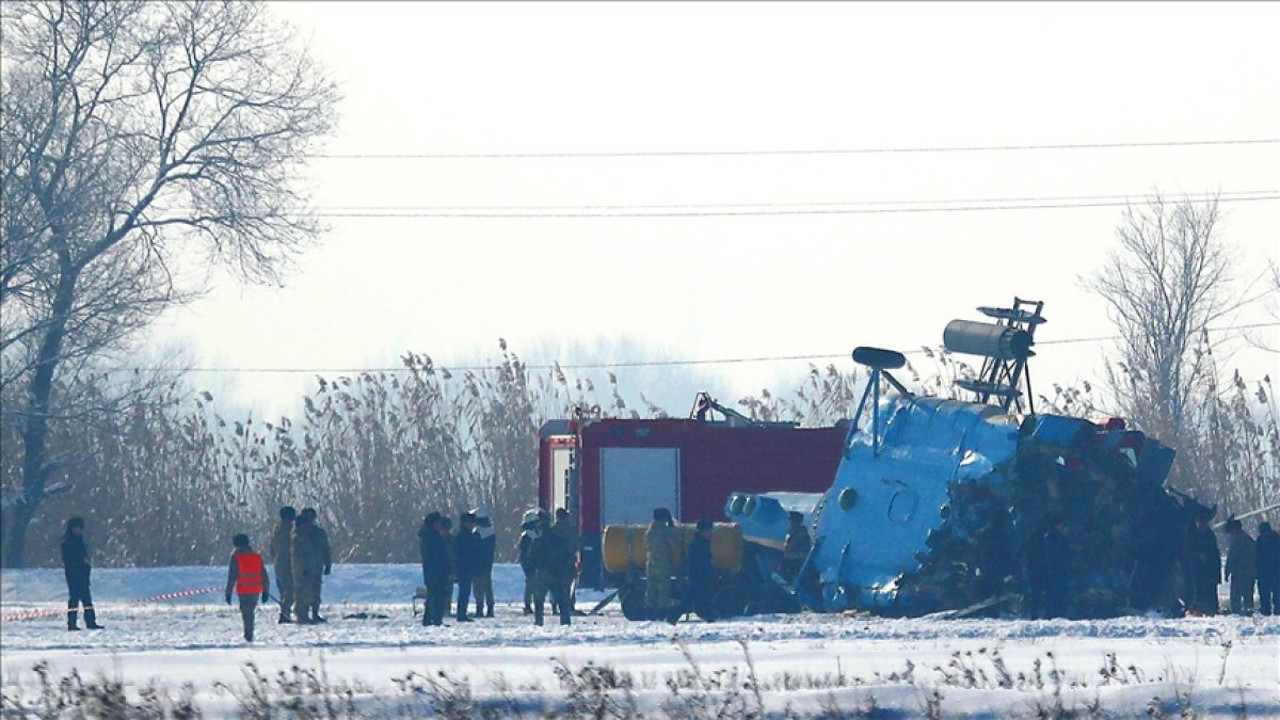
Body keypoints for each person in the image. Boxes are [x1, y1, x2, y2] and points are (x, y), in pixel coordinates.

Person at [528, 511, 572, 626]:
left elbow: (531, 558)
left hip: (542, 572)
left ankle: (539, 620)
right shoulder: (559, 540)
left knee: (539, 599)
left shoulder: (537, 541)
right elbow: (567, 555)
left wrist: (534, 570)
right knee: (561, 598)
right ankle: (565, 620)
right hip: (557, 572)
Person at [224, 533, 270, 642]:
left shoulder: (235, 557)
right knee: (250, 611)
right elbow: (264, 574)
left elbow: (232, 576)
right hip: (255, 590)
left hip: (243, 590)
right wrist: (265, 591)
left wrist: (228, 592)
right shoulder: (256, 556)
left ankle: (248, 635)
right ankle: (249, 633)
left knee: (246, 613)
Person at [61, 517, 103, 631]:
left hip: (83, 574)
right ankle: (72, 623)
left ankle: (90, 621)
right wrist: (81, 560)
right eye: (79, 527)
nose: (81, 530)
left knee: (86, 599)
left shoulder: (79, 540)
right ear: (73, 528)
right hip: (73, 574)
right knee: (74, 599)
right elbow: (68, 559)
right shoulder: (68, 541)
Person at [292, 507, 332, 624]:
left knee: (316, 591)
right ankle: (302, 615)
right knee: (302, 592)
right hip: (303, 570)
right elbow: (297, 556)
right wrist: (301, 570)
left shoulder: (319, 533)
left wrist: (328, 563)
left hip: (317, 566)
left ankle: (315, 613)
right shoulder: (298, 536)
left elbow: (326, 548)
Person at [645, 507, 679, 622]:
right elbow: (675, 544)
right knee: (663, 588)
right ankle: (661, 611)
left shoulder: (650, 530)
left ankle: (649, 610)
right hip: (662, 562)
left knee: (651, 588)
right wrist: (673, 527)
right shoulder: (665, 530)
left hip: (651, 562)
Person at [419, 512, 452, 627]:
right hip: (434, 571)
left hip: (435, 571)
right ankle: (435, 619)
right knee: (436, 596)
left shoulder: (431, 536)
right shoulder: (431, 537)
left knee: (435, 595)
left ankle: (432, 619)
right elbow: (435, 556)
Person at [1185, 511, 1221, 616]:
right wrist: (1198, 555)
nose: (1201, 525)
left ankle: (1211, 609)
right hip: (1196, 568)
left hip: (1209, 568)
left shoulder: (1210, 535)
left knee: (1210, 589)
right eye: (1199, 523)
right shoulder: (1192, 535)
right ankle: (1197, 609)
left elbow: (1214, 551)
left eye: (1203, 523)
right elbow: (1188, 551)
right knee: (1197, 589)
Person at [684, 519, 717, 621]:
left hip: (702, 575)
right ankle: (709, 616)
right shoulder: (697, 544)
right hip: (698, 575)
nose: (709, 534)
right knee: (694, 598)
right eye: (707, 531)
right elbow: (697, 560)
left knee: (695, 597)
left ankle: (708, 616)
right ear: (702, 531)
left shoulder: (702, 542)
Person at [550, 508, 580, 615]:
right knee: (565, 586)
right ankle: (566, 605)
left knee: (561, 586)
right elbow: (577, 544)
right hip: (565, 562)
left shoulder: (553, 530)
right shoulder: (571, 530)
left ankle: (560, 605)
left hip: (561, 562)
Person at [1040, 515, 1071, 618]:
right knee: (1055, 595)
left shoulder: (1056, 537)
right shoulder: (1052, 537)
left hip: (1059, 570)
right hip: (1055, 570)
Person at [1224, 518, 1256, 615]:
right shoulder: (1247, 538)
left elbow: (1232, 557)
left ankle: (1237, 614)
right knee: (1248, 596)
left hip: (1239, 572)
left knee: (1235, 597)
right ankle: (1249, 612)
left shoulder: (1236, 539)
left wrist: (1227, 571)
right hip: (1250, 571)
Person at [270, 506, 296, 623]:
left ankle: (285, 613)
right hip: (287, 563)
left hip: (278, 562)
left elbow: (272, 548)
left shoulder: (276, 529)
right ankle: (285, 614)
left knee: (283, 590)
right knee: (289, 590)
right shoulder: (289, 529)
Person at [453, 511, 479, 622]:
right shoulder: (463, 536)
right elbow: (461, 554)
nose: (473, 525)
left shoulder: (467, 536)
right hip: (463, 568)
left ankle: (462, 612)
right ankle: (461, 614)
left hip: (467, 567)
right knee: (464, 591)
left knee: (465, 591)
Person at [1022, 518, 1049, 619]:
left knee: (1035, 593)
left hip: (1032, 568)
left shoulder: (1032, 537)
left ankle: (1034, 614)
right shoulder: (1044, 538)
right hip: (1040, 568)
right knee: (1041, 591)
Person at [472, 509, 496, 619]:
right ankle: (490, 609)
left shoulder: (477, 532)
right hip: (487, 563)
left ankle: (479, 609)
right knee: (488, 587)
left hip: (477, 564)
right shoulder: (490, 532)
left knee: (478, 588)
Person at [517, 509, 540, 614]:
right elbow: (524, 552)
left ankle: (531, 604)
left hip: (532, 563)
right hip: (529, 563)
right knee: (531, 584)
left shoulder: (533, 534)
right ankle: (528, 605)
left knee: (533, 584)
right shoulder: (527, 535)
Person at [1256, 521, 1279, 616]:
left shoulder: (1277, 541)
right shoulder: (1259, 541)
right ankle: (1265, 612)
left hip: (1276, 572)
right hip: (1263, 573)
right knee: (1264, 596)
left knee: (1278, 596)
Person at [781, 511, 812, 582]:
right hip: (788, 564)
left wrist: (791, 555)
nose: (789, 524)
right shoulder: (791, 535)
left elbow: (805, 553)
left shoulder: (802, 535)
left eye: (791, 522)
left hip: (796, 566)